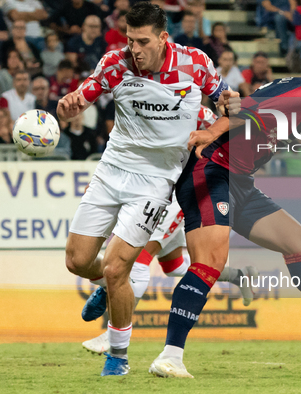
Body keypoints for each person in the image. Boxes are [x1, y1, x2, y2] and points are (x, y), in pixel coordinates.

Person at [149, 63, 301, 379]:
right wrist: (212, 131)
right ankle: (170, 356)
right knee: (210, 262)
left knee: (298, 242)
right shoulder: (296, 96)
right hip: (211, 172)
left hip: (239, 182)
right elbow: (246, 109)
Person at [58, 2, 233, 377]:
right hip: (112, 170)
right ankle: (108, 286)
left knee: (119, 264)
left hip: (155, 182)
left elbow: (232, 106)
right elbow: (84, 94)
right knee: (77, 260)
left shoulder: (195, 64)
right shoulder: (115, 63)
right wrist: (70, 104)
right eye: (129, 39)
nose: (134, 49)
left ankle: (117, 358)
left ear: (163, 38)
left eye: (142, 41)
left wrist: (213, 129)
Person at [80, 105, 259, 355]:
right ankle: (239, 275)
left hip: (175, 193)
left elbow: (231, 129)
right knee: (173, 265)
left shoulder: (193, 110)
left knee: (139, 263)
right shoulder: (150, 104)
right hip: (153, 187)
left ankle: (113, 336)